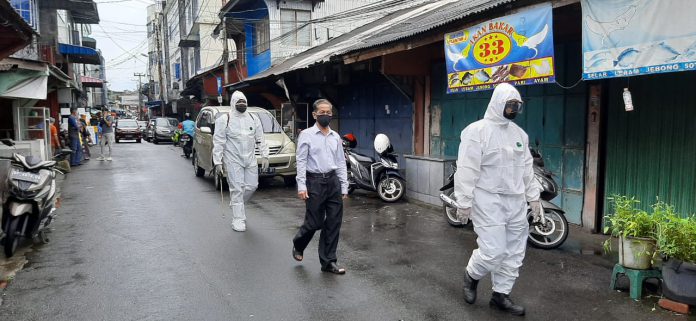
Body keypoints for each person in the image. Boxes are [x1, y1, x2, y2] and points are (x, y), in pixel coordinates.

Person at [454, 83, 542, 316]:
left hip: (515, 200)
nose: (513, 110)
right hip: (487, 198)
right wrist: (464, 201)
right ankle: (471, 275)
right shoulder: (476, 131)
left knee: (514, 250)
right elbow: (466, 169)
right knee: (494, 250)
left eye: (516, 106)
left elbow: (527, 169)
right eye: (509, 105)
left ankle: (500, 295)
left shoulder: (519, 135)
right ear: (498, 103)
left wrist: (534, 198)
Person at [291, 99, 349, 275]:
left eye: (329, 112)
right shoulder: (307, 135)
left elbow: (340, 162)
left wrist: (344, 186)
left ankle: (328, 261)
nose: (326, 115)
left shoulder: (335, 137)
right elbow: (301, 161)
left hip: (333, 182)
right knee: (314, 222)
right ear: (314, 114)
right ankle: (299, 243)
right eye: (322, 112)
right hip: (314, 181)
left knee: (333, 223)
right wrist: (301, 186)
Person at [212, 91, 269, 232]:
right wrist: (218, 161)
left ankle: (237, 203)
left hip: (250, 159)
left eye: (244, 102)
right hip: (233, 160)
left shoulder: (253, 118)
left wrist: (265, 155)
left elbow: (260, 138)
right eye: (239, 102)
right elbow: (218, 141)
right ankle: (238, 219)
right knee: (237, 189)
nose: (242, 105)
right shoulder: (225, 119)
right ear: (233, 103)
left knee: (252, 186)